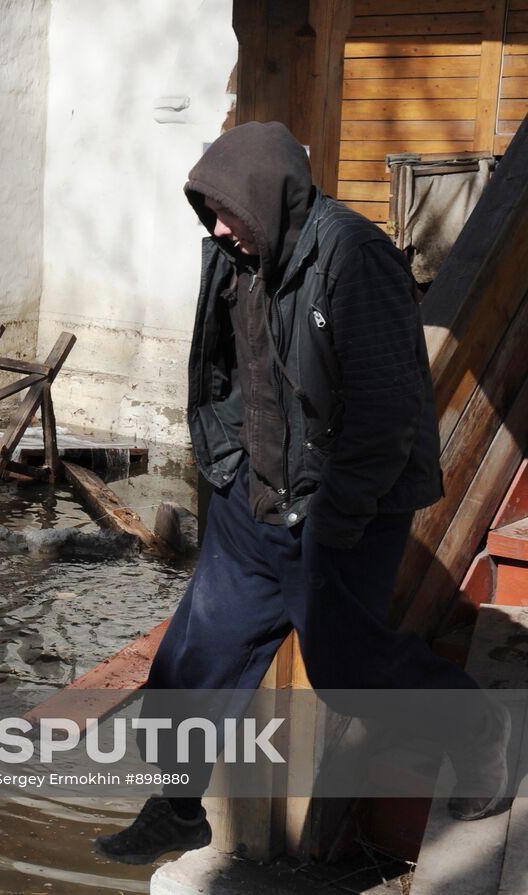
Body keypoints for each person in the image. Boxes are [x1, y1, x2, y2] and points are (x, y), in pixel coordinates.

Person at [92, 121, 512, 865]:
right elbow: (219, 374)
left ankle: (478, 734)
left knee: (351, 674)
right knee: (188, 664)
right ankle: (175, 810)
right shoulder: (233, 256)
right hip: (250, 503)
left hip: (340, 513)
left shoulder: (356, 258)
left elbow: (386, 412)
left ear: (271, 198)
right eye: (209, 211)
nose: (217, 227)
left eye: (228, 210)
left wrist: (337, 520)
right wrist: (224, 466)